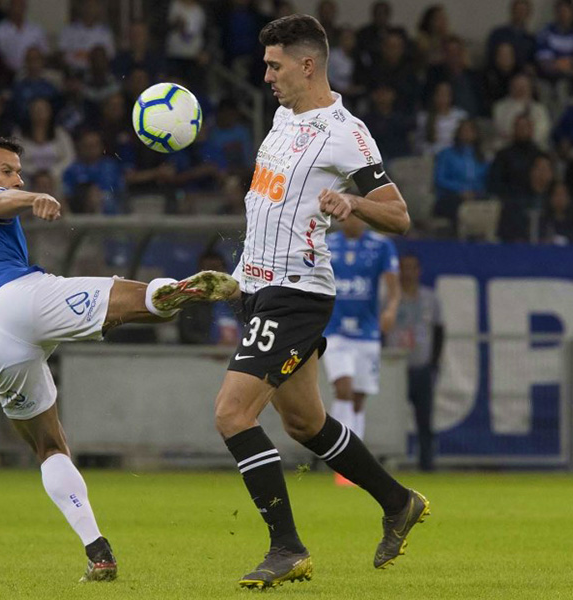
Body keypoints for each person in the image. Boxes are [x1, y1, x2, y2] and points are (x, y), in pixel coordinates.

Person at [0, 133, 238, 583]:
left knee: (49, 447)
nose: (15, 177)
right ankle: (168, 295)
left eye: (19, 171)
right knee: (123, 298)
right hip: (15, 300)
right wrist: (34, 196)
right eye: (6, 169)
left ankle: (97, 552)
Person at [204, 14, 427, 590]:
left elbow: (399, 214)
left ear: (308, 65)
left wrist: (354, 205)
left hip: (297, 296)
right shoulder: (280, 119)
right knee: (305, 421)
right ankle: (398, 501)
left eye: (275, 65)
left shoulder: (345, 132)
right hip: (259, 290)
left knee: (232, 414)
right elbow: (270, 210)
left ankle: (286, 548)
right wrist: (234, 280)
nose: (267, 75)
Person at [322, 215, 400, 470]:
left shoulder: (381, 245)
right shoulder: (327, 243)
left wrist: (390, 309)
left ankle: (354, 460)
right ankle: (338, 456)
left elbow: (393, 285)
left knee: (358, 397)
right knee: (342, 388)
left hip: (367, 332)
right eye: (346, 216)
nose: (351, 221)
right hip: (334, 330)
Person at [385, 254, 443, 472]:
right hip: (395, 369)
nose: (408, 272)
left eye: (412, 268)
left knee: (425, 419)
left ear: (418, 271)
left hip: (421, 367)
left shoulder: (430, 299)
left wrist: (434, 362)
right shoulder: (390, 300)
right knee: (391, 418)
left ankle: (426, 463)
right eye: (404, 268)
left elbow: (439, 332)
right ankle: (390, 461)